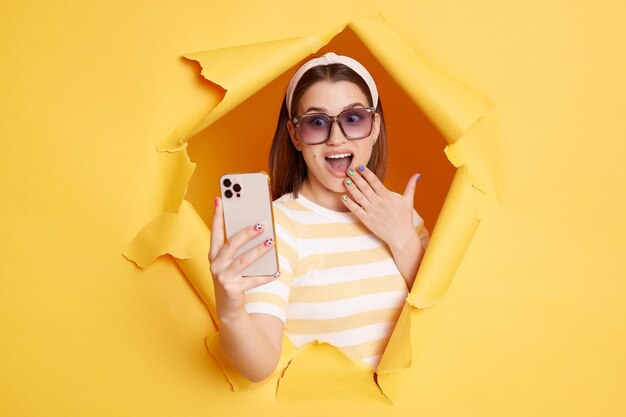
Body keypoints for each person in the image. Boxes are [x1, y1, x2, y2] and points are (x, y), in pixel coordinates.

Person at [208, 53, 429, 382]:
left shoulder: (401, 212)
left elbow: (447, 324)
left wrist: (402, 240)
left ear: (375, 127)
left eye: (353, 118)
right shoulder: (279, 227)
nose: (336, 137)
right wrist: (229, 310)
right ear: (296, 136)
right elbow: (259, 365)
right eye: (317, 122)